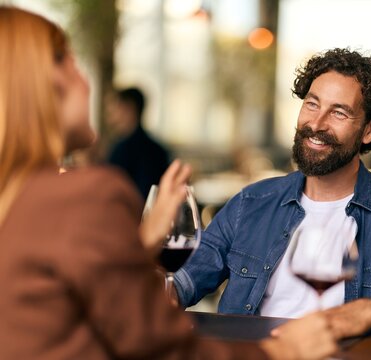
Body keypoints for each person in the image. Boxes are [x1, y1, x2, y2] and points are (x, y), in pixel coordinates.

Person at [0, 6, 337, 359]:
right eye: (72, 63)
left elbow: (67, 313)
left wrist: (140, 246)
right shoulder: (87, 194)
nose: (85, 81)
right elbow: (164, 351)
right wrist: (283, 351)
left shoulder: (19, 200)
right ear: (49, 81)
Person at [174, 48, 371, 339]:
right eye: (312, 104)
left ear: (369, 130)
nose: (316, 124)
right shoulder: (250, 203)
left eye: (338, 112)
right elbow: (179, 283)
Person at [106, 86, 171, 199]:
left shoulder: (120, 151)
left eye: (116, 109)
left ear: (129, 108)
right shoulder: (159, 151)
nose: (111, 118)